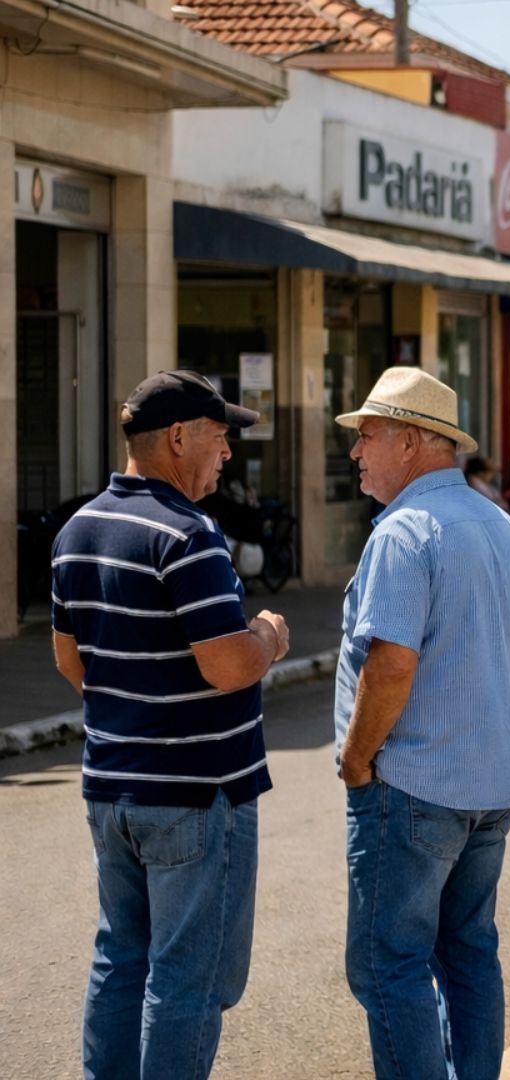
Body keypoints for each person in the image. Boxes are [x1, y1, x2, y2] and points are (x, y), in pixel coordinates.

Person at [50, 371, 289, 1080]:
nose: (226, 456)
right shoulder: (190, 537)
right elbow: (227, 665)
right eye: (219, 440)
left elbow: (73, 663)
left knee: (121, 958)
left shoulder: (76, 530)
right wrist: (269, 636)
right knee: (189, 978)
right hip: (193, 791)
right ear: (179, 438)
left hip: (112, 785)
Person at [332, 366, 510, 1080]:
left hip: (414, 782)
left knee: (387, 965)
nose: (357, 452)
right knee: (469, 953)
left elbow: (390, 665)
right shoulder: (500, 523)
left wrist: (358, 759)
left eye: (368, 435)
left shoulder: (405, 532)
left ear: (415, 441)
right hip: (489, 784)